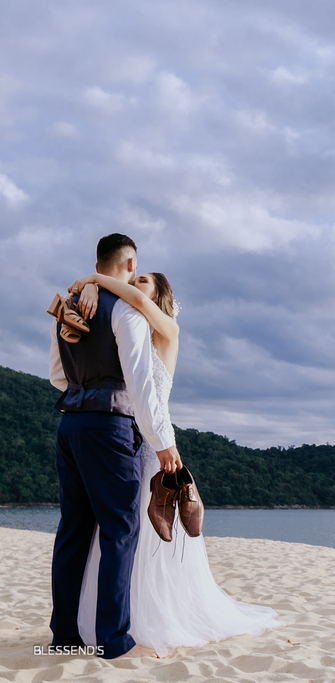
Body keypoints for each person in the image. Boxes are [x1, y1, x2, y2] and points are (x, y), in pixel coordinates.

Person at [66, 258, 281, 658]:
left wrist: (94, 278)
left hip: (154, 442)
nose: (134, 284)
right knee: (118, 531)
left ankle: (146, 620)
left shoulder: (167, 330)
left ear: (160, 295)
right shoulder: (126, 329)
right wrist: (91, 289)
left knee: (146, 531)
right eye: (134, 277)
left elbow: (132, 301)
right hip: (123, 436)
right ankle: (113, 621)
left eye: (143, 281)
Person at [49, 234, 179, 659]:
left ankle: (64, 636)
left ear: (97, 266)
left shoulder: (66, 309)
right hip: (109, 427)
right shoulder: (127, 311)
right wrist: (161, 442)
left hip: (70, 424)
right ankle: (114, 642)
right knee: (120, 530)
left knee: (73, 531)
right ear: (130, 264)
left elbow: (57, 376)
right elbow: (139, 384)